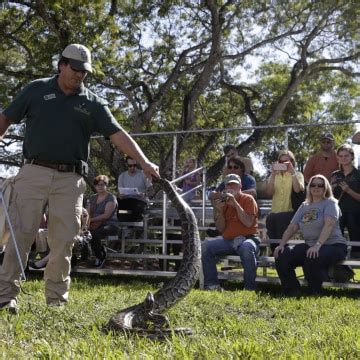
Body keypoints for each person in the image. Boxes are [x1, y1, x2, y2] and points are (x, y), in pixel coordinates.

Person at [0, 43, 159, 313]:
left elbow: (118, 134)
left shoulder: (92, 102)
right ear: (61, 65)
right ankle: (5, 297)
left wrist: (143, 162)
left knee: (64, 240)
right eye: (75, 69)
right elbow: (5, 118)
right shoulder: (36, 90)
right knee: (21, 233)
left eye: (84, 72)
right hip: (33, 171)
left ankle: (56, 302)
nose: (79, 76)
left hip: (70, 178)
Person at [274, 175, 347, 296]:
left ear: (325, 188)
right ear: (309, 187)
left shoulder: (330, 203)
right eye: (313, 185)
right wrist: (281, 245)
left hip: (334, 246)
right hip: (311, 245)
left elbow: (328, 225)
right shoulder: (304, 206)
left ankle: (315, 291)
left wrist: (318, 245)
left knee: (313, 256)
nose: (316, 187)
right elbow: (292, 227)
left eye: (320, 185)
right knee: (282, 255)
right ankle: (292, 290)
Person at [201, 174, 260, 291]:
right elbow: (221, 228)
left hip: (248, 239)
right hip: (228, 240)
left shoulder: (248, 199)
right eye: (228, 184)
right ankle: (212, 285)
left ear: (240, 186)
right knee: (206, 246)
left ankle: (250, 288)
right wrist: (219, 211)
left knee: (247, 247)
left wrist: (235, 204)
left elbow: (248, 223)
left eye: (234, 184)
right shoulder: (223, 203)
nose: (231, 187)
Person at [265, 150, 305, 250]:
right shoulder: (274, 176)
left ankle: (281, 249)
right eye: (281, 162)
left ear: (292, 162)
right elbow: (269, 193)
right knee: (271, 218)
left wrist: (292, 173)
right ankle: (276, 250)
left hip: (291, 212)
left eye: (287, 162)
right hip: (275, 212)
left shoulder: (298, 174)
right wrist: (273, 175)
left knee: (280, 218)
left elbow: (297, 189)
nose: (284, 164)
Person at [331, 144, 360, 257]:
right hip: (338, 214)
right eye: (341, 156)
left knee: (357, 249)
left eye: (346, 156)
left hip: (356, 214)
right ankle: (338, 271)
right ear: (337, 157)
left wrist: (348, 191)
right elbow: (329, 197)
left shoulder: (358, 174)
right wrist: (331, 188)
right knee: (336, 244)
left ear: (352, 157)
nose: (343, 158)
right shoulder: (335, 175)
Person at [87, 175, 119, 268]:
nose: (100, 186)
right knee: (83, 233)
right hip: (94, 224)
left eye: (102, 184)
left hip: (109, 224)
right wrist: (86, 221)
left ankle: (99, 257)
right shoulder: (92, 197)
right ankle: (84, 257)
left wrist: (91, 220)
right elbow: (87, 212)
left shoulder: (111, 197)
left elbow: (106, 215)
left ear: (106, 185)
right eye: (97, 185)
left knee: (93, 234)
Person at [117, 157, 153, 222]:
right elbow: (120, 193)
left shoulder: (143, 174)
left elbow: (151, 191)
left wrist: (144, 194)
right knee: (119, 209)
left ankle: (133, 227)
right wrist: (120, 196)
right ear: (126, 165)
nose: (132, 167)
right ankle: (125, 227)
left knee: (135, 209)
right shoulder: (122, 176)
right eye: (130, 166)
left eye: (134, 165)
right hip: (126, 201)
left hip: (140, 201)